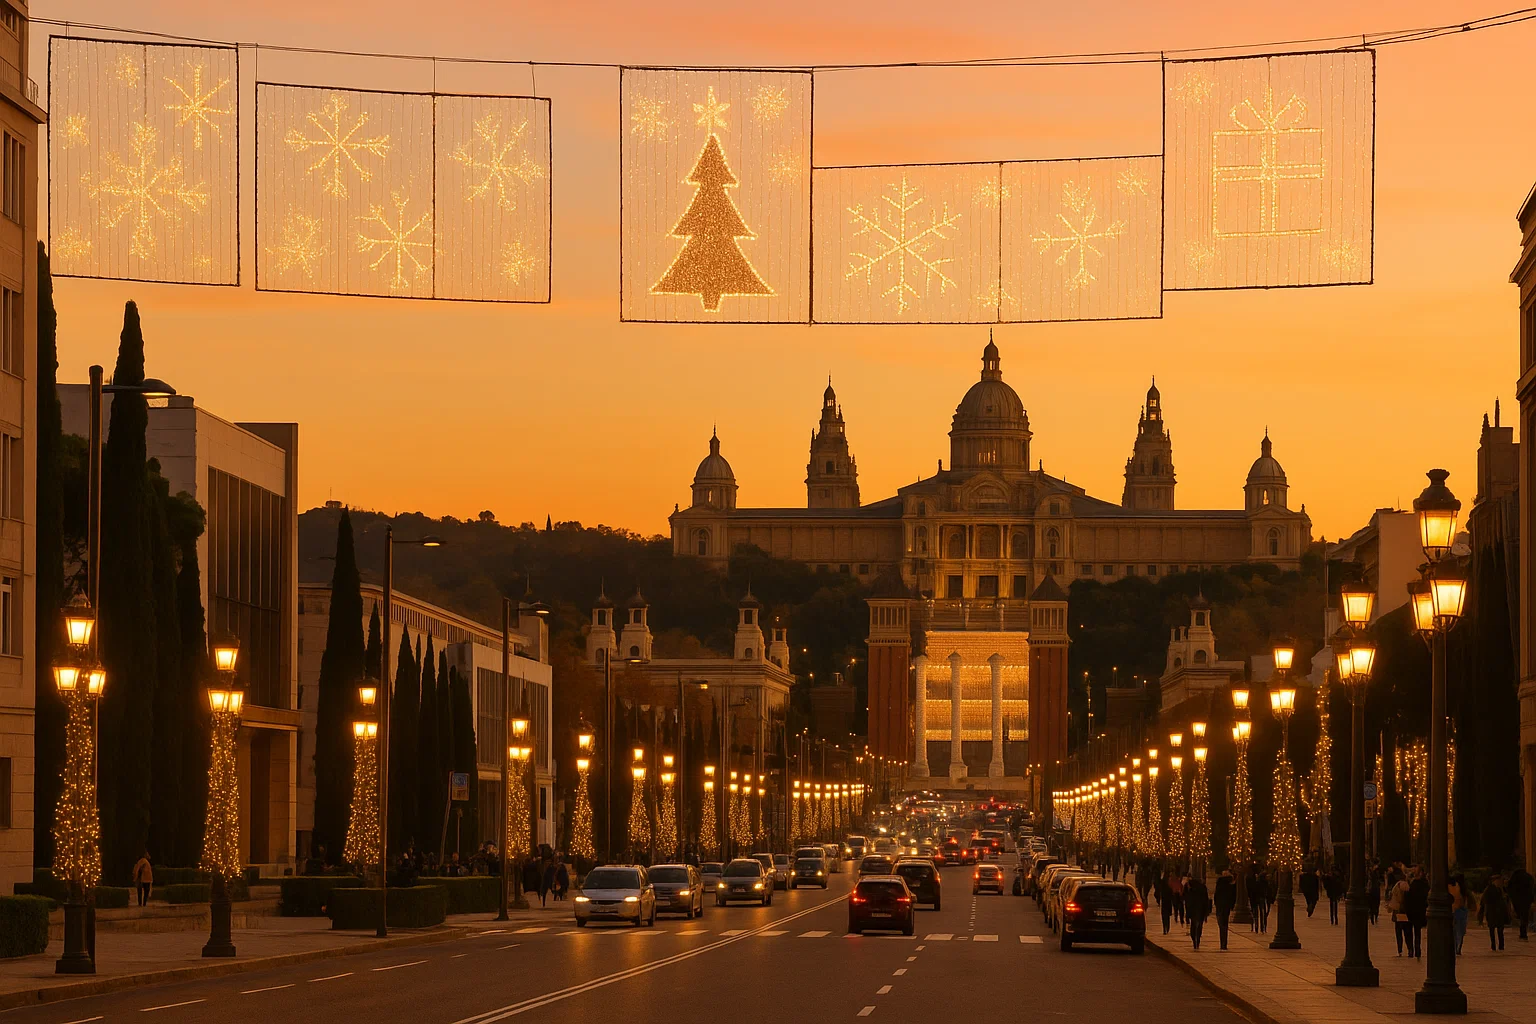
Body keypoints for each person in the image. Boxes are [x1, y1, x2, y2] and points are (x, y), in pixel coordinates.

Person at [1480, 874, 1511, 951]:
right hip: (1492, 912)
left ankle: (1501, 945)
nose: (1500, 882)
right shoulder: (1489, 889)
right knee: (1492, 929)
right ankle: (1493, 945)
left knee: (1500, 929)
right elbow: (1485, 901)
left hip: (1500, 912)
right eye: (1499, 880)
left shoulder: (1501, 889)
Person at [1406, 866, 1430, 959]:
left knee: (1411, 931)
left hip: (1413, 911)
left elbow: (1408, 897)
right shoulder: (1424, 884)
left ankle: (1411, 949)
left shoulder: (1414, 884)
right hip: (1419, 911)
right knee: (1417, 932)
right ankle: (1417, 949)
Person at [1387, 871, 1412, 956]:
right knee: (1407, 932)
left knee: (1398, 932)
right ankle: (1410, 949)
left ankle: (1400, 950)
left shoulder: (1396, 887)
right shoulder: (1408, 886)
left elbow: (1393, 898)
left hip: (1397, 911)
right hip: (1405, 911)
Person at [1213, 866, 1237, 951]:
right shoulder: (1231, 884)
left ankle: (1222, 943)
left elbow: (1216, 895)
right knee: (1225, 924)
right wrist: (1232, 905)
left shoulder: (1220, 883)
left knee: (1221, 924)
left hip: (1220, 906)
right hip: (1227, 906)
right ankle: (1224, 944)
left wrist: (1216, 903)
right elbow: (1233, 896)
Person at [1186, 873, 1211, 950]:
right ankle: (1198, 940)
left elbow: (1188, 901)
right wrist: (1206, 911)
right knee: (1199, 925)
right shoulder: (1203, 887)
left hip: (1193, 909)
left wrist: (1187, 913)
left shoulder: (1190, 888)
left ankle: (1194, 940)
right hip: (1201, 909)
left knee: (1193, 925)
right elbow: (1206, 900)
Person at [1508, 866, 1533, 941]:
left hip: (1517, 900)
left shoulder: (1514, 877)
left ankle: (1522, 934)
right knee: (1524, 917)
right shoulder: (1529, 877)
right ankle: (1524, 934)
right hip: (1527, 900)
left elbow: (1510, 889)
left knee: (1520, 917)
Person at [1449, 874, 1468, 955]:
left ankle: (1456, 947)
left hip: (1455, 910)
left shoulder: (1453, 887)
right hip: (1462, 910)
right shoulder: (1463, 888)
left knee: (1455, 930)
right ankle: (1458, 947)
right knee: (1460, 930)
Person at [1155, 871, 1173, 935]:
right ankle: (1166, 928)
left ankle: (1165, 928)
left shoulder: (1163, 883)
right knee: (1167, 916)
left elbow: (1158, 888)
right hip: (1168, 901)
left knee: (1164, 915)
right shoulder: (1169, 883)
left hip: (1164, 901)